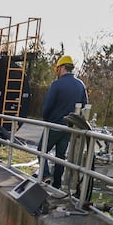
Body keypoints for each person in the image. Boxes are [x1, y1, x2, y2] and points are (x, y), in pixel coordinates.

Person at [40, 54, 87, 189]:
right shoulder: (80, 85)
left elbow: (48, 106)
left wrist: (46, 120)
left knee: (41, 151)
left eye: (58, 69)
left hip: (54, 125)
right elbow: (84, 105)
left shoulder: (57, 84)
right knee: (60, 157)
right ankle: (57, 185)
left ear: (62, 68)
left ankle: (46, 176)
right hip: (68, 128)